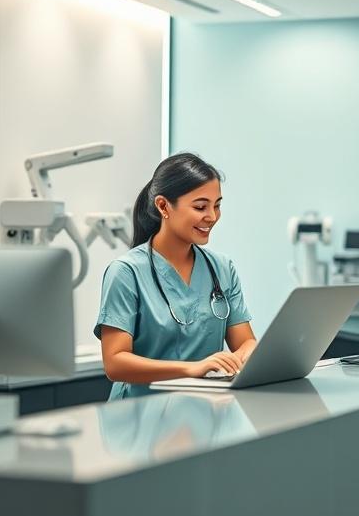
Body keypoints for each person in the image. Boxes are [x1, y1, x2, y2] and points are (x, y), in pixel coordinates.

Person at [95, 153, 257, 400]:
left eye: (217, 205)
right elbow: (115, 363)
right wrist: (191, 369)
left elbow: (245, 342)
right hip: (139, 418)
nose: (212, 217)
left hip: (203, 412)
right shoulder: (126, 272)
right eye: (200, 207)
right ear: (163, 206)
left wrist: (245, 356)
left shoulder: (223, 268)